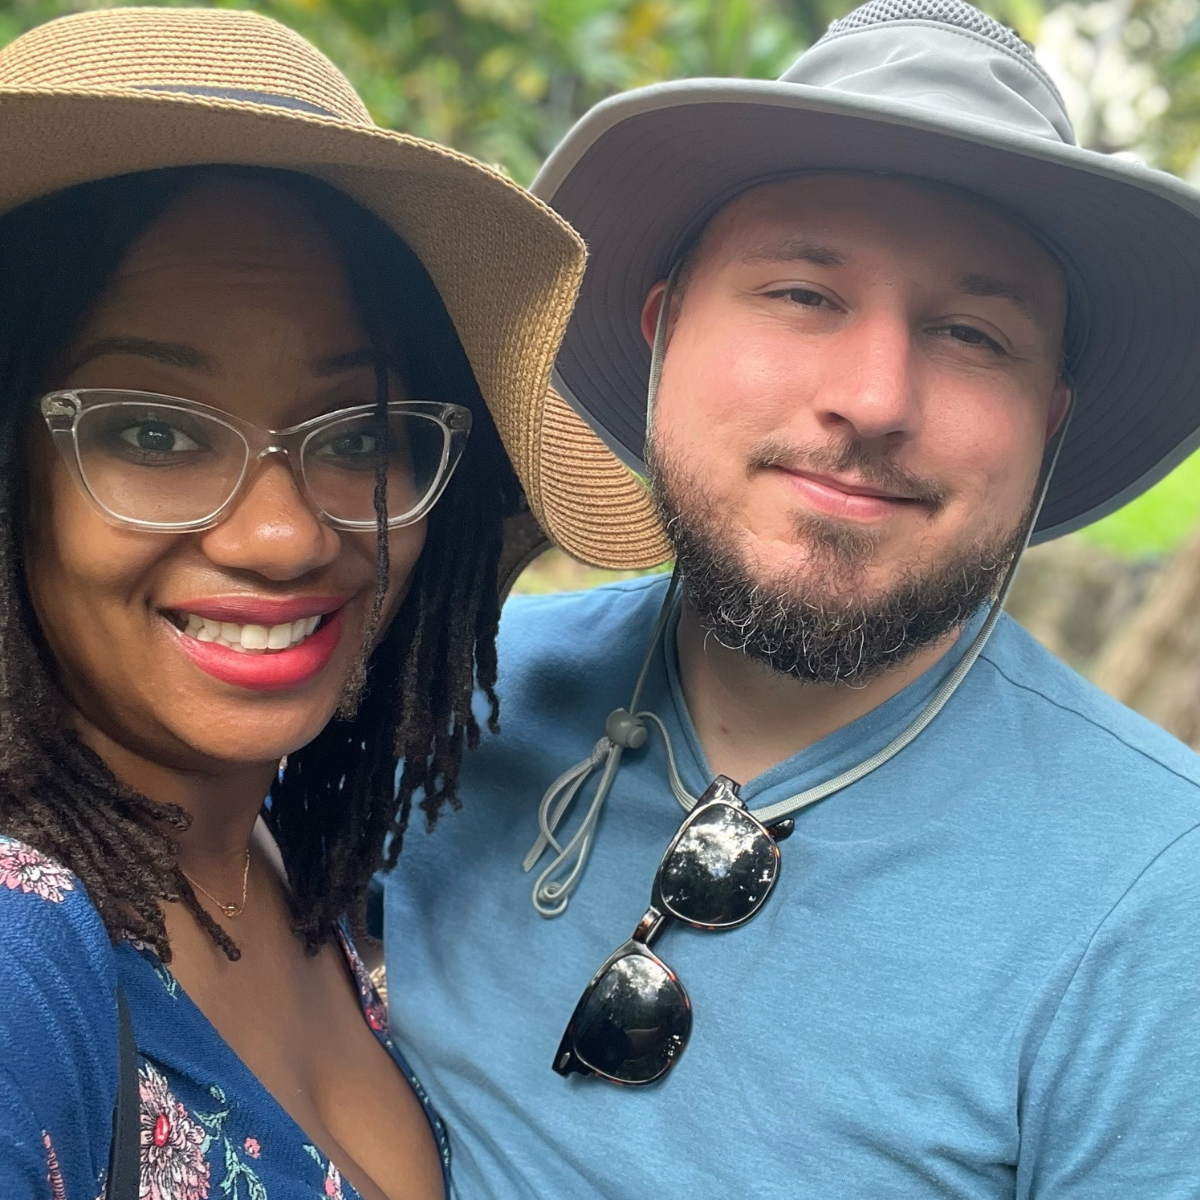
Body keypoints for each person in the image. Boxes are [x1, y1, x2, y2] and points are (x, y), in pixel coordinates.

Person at [384, 1, 1200, 1196]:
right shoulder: (449, 690)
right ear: (662, 331)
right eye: (803, 295)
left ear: (1049, 420)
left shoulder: (1158, 905)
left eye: (973, 333)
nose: (874, 398)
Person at [0, 7, 628, 1199]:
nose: (285, 534)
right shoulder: (18, 969)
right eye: (151, 430)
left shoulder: (305, 845)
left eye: (364, 435)